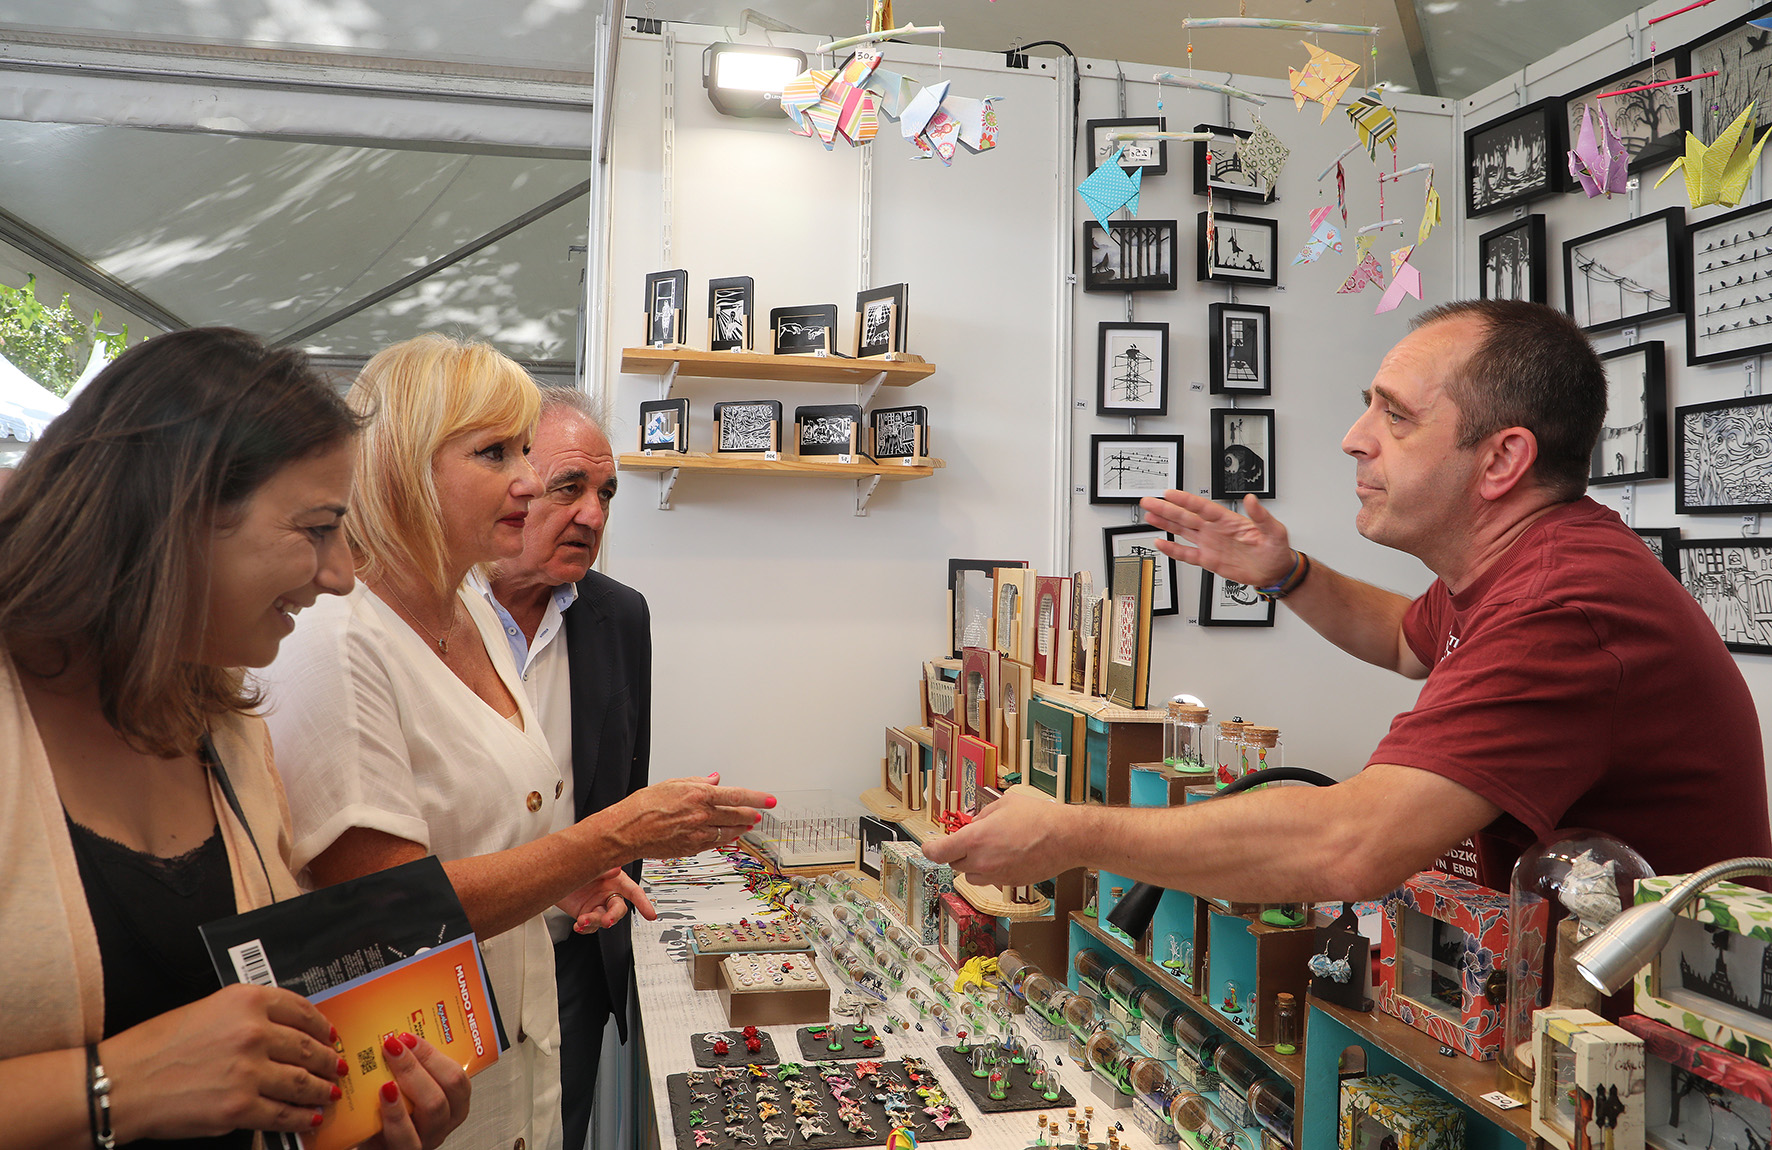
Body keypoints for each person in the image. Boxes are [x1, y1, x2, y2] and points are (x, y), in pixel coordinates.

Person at [926, 300, 1771, 900]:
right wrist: (1288, 574)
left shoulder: (1564, 609)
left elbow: (1349, 847)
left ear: (1502, 460)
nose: (1354, 438)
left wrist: (1072, 834)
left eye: (1395, 416)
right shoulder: (1523, 564)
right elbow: (1407, 641)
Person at [259, 334, 772, 1150]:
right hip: (412, 1091)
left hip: (516, 1055)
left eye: (527, 454)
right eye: (498, 453)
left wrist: (567, 879)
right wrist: (609, 836)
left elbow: (494, 824)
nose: (529, 483)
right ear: (404, 464)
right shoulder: (336, 638)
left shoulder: (467, 615)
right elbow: (382, 912)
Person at [0, 328, 468, 1150]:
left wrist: (361, 1121)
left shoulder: (228, 728)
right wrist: (117, 1085)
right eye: (318, 528)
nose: (342, 575)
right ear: (177, 513)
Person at [476, 388, 644, 1150]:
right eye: (568, 487)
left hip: (573, 963)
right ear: (510, 485)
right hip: (455, 964)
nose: (593, 515)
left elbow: (622, 790)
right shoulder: (434, 616)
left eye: (605, 493)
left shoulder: (621, 618)